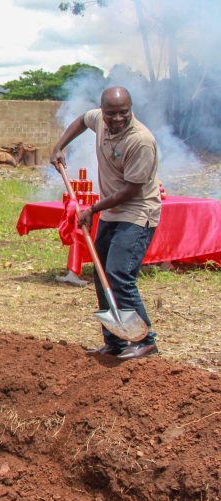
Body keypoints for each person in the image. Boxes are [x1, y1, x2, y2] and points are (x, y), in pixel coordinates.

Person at [49, 86, 160, 360]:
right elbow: (82, 121)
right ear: (104, 111)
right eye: (112, 114)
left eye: (124, 113)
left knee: (119, 273)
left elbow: (131, 191)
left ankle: (145, 340)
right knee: (100, 274)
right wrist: (59, 146)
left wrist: (94, 208)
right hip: (112, 212)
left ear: (131, 109)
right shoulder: (99, 119)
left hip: (136, 212)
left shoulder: (140, 141)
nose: (118, 119)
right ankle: (115, 342)